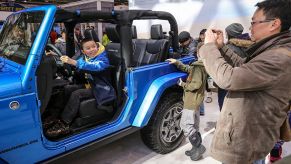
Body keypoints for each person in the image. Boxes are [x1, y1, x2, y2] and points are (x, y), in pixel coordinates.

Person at [199, 0, 291, 163]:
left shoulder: (278, 58)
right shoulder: (274, 51)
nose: (250, 27)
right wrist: (222, 48)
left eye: (254, 22)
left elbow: (227, 79)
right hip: (251, 138)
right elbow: (245, 67)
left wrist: (208, 47)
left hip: (247, 145)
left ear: (274, 24)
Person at [45, 38, 116, 138]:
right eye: (88, 48)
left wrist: (74, 63)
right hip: (89, 85)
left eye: (93, 47)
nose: (92, 49)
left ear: (97, 46)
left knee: (76, 94)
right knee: (67, 88)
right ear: (83, 51)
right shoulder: (85, 57)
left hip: (100, 88)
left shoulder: (102, 58)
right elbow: (76, 62)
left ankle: (65, 123)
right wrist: (57, 56)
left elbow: (95, 66)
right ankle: (55, 115)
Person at [166, 43, 207, 161]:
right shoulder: (201, 65)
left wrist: (182, 84)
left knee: (185, 125)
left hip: (191, 101)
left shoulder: (199, 67)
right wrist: (177, 62)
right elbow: (190, 70)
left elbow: (196, 84)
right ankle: (196, 148)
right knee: (194, 125)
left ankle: (198, 147)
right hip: (196, 100)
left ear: (199, 53)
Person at [217, 23, 254, 111]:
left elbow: (223, 67)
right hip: (245, 82)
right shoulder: (251, 45)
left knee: (225, 108)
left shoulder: (228, 48)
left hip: (229, 83)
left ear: (229, 34)